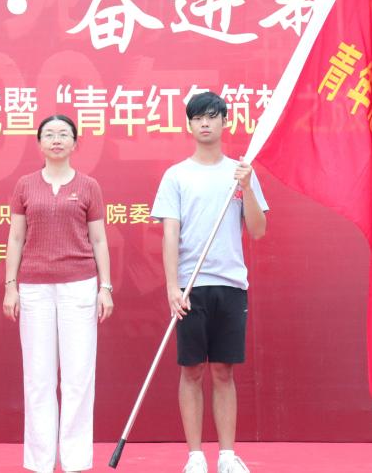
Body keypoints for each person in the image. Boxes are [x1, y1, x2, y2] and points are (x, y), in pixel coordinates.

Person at [150, 92, 268, 473]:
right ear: (188, 125)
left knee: (223, 371)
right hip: (190, 286)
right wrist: (172, 287)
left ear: (224, 122)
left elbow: (258, 229)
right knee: (191, 371)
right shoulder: (177, 175)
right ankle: (195, 456)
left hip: (230, 284)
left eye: (212, 116)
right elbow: (170, 234)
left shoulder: (240, 172)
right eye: (198, 117)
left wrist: (246, 188)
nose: (205, 123)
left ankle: (227, 456)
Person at [3, 114, 114, 473]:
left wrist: (105, 287)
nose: (56, 140)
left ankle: (76, 460)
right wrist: (10, 286)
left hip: (79, 285)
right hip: (34, 288)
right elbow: (16, 237)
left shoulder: (89, 186)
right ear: (39, 143)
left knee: (78, 376)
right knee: (39, 377)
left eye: (63, 134)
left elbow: (99, 239)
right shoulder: (25, 185)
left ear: (75, 143)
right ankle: (40, 461)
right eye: (49, 134)